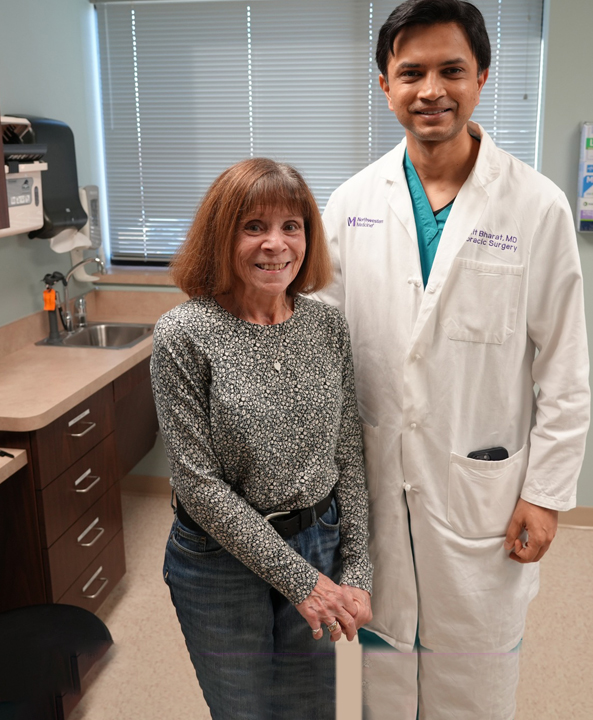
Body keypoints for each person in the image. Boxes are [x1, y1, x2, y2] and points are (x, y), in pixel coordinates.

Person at [315, 1, 591, 717]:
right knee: (369, 659)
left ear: (482, 78)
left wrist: (546, 493)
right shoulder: (350, 203)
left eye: (451, 70)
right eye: (411, 73)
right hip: (371, 479)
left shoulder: (537, 206)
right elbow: (318, 350)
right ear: (384, 84)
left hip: (481, 485)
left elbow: (564, 366)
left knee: (473, 662)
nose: (431, 90)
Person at [151, 158, 373, 720]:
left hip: (318, 541)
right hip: (218, 563)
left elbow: (347, 451)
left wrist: (356, 569)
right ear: (221, 237)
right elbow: (198, 484)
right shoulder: (184, 333)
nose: (276, 244)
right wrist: (302, 583)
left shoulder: (326, 325)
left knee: (315, 708)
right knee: (244, 711)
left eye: (290, 226)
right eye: (254, 227)